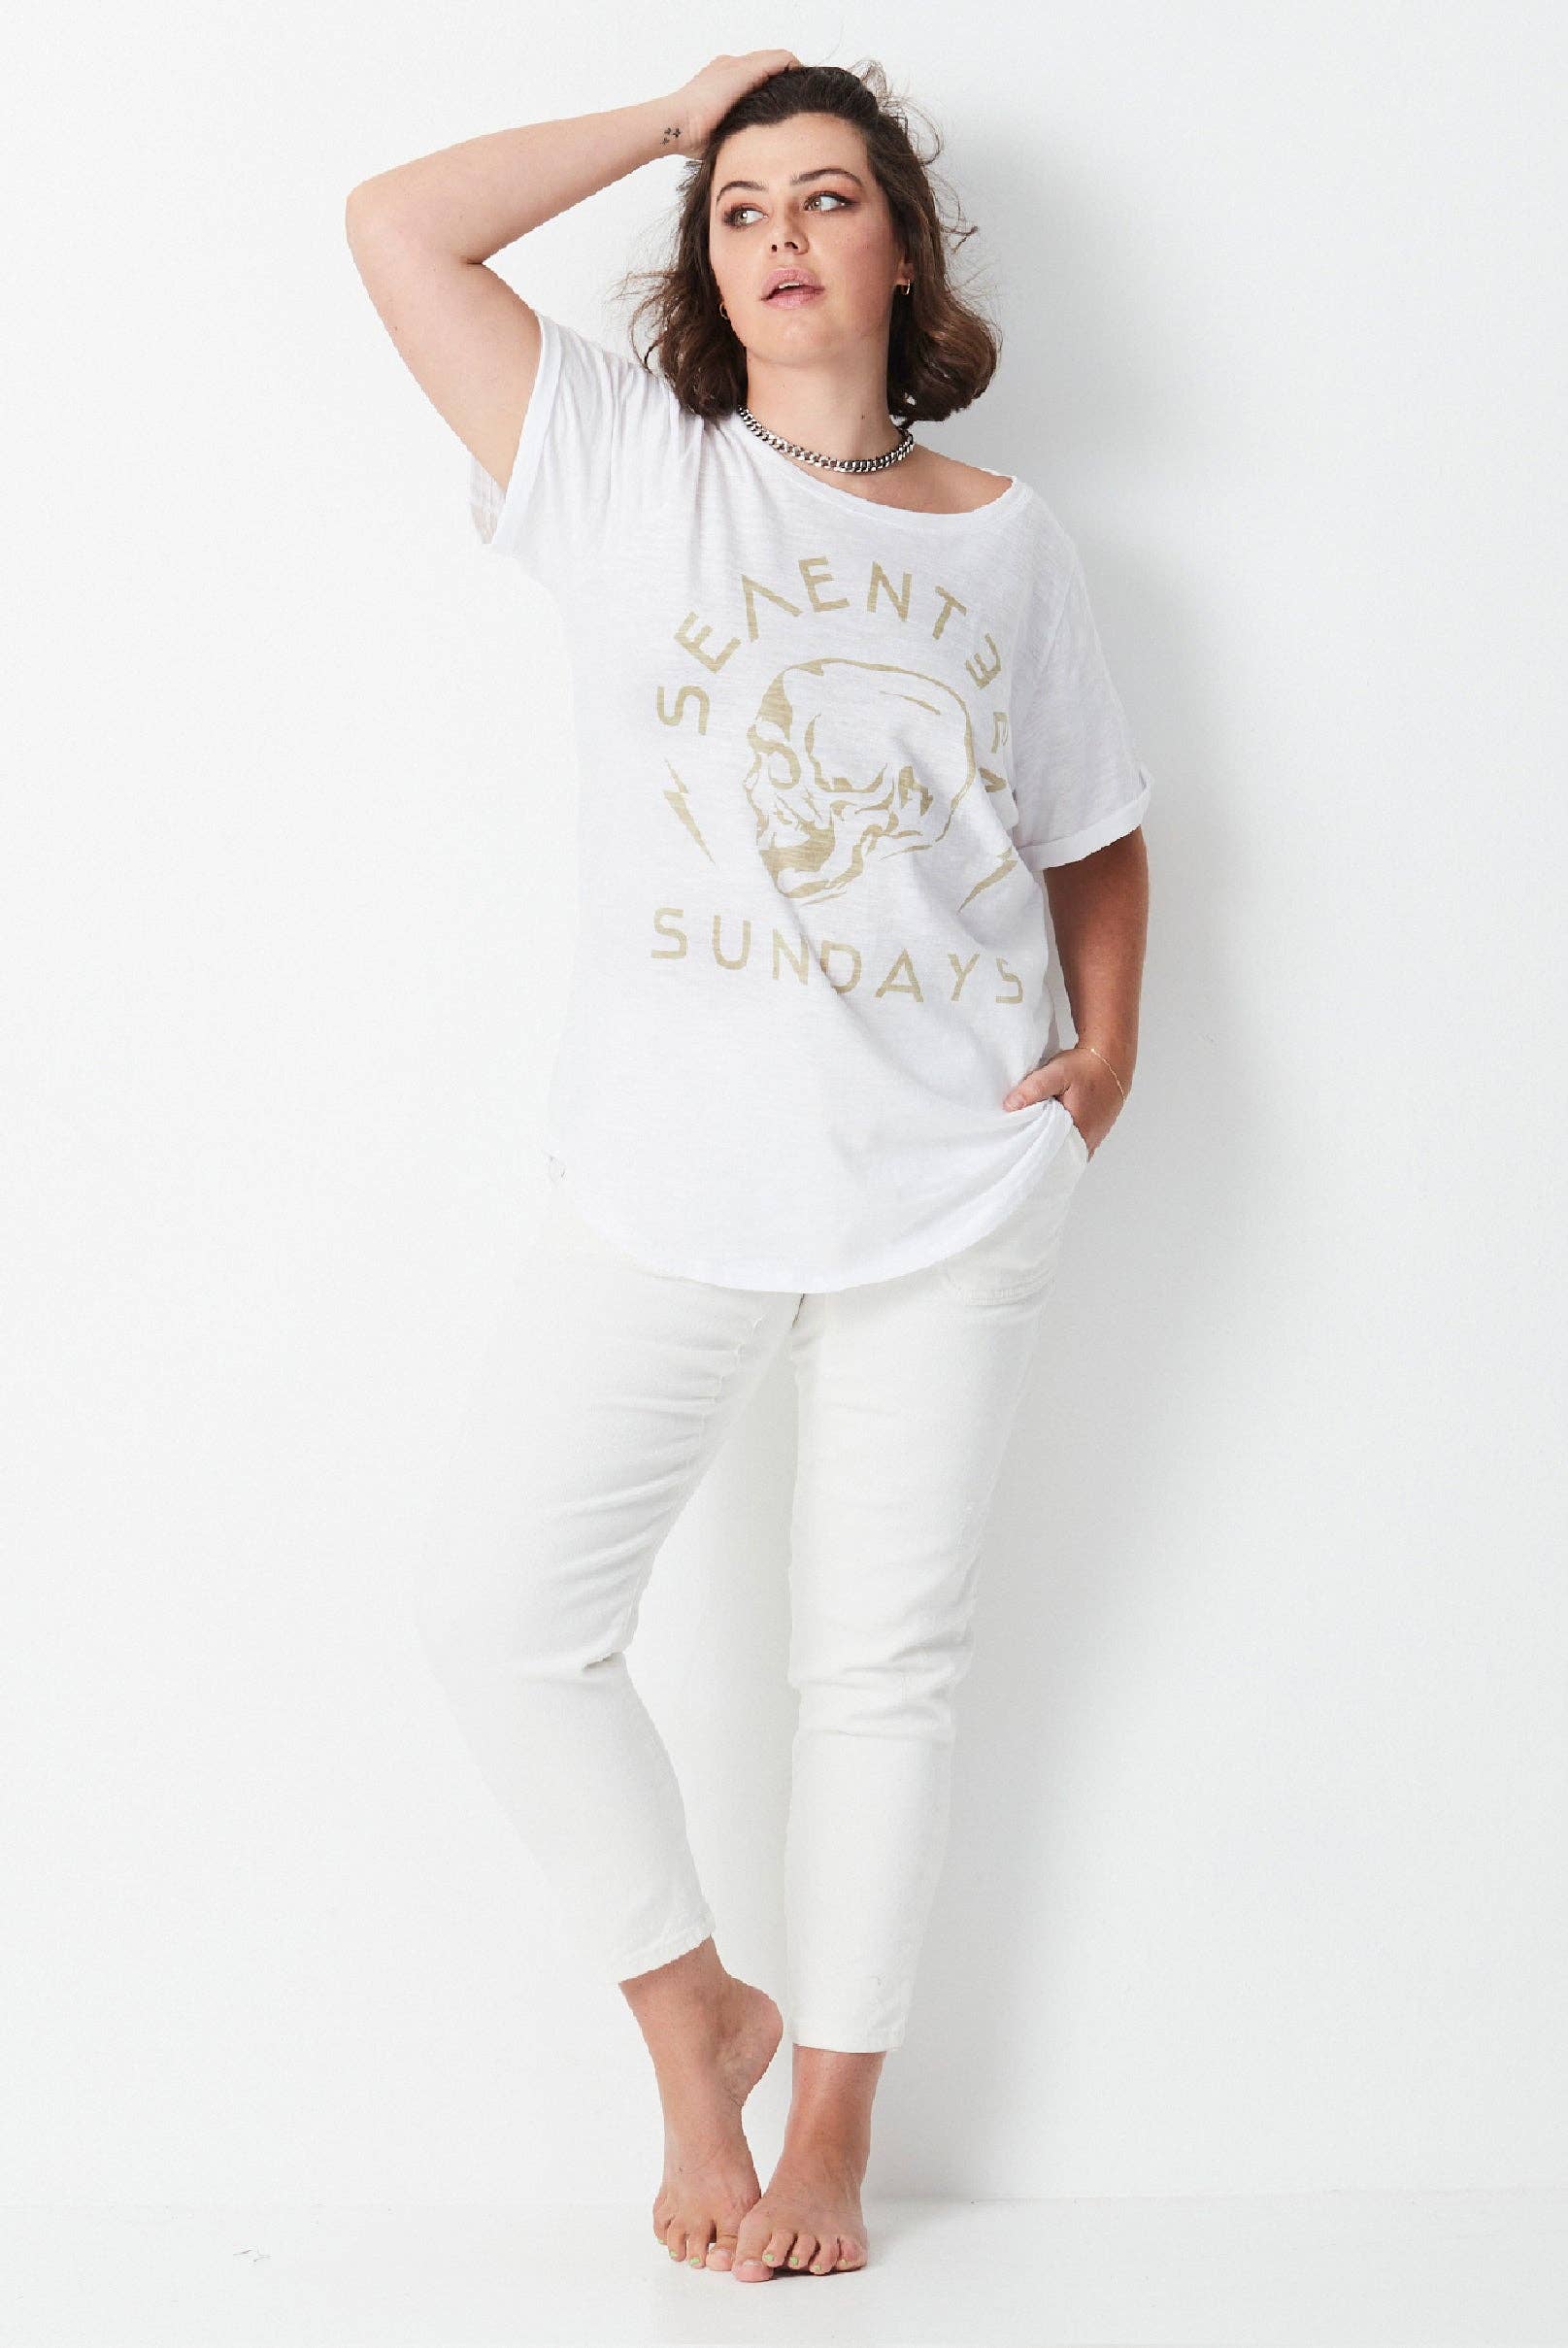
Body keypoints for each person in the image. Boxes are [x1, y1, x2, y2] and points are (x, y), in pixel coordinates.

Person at [346, 52, 1152, 2283]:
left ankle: (832, 2138)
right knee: (501, 1613)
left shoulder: (1008, 539)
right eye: (740, 207)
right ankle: (692, 2007)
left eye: (824, 196)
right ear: (706, 268)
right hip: (667, 1173)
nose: (781, 232)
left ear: (903, 250)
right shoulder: (626, 467)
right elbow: (395, 226)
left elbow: (1092, 827)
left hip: (951, 1181)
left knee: (879, 1671)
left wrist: (1105, 1060)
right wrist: (663, 114)